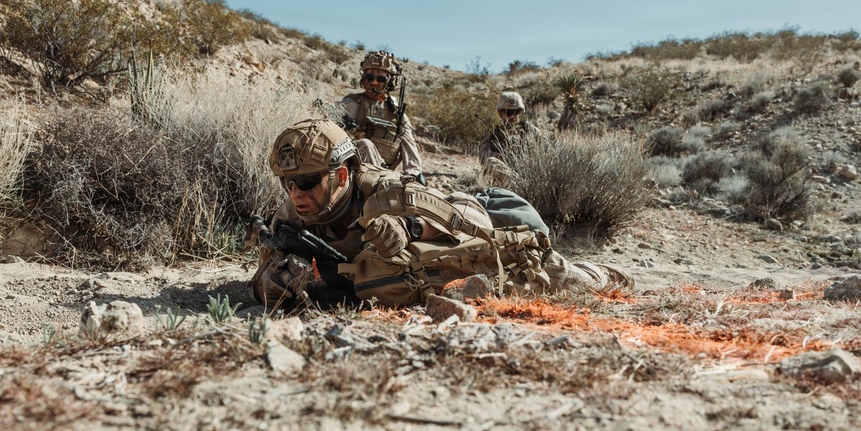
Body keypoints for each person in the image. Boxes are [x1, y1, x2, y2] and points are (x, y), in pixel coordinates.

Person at [247, 118, 634, 311]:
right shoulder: (290, 217)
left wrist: (408, 227)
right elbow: (256, 283)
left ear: (342, 175)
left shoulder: (381, 190)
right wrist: (283, 279)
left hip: (481, 224)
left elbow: (464, 218)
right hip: (406, 279)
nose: (296, 193)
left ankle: (605, 272)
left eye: (309, 181)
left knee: (572, 281)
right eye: (288, 183)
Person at [340, 50, 423, 180]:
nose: (374, 82)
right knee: (364, 144)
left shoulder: (397, 112)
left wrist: (414, 175)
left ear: (390, 81)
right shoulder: (352, 104)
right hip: (352, 173)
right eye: (369, 77)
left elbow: (409, 147)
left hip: (385, 175)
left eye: (380, 78)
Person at [477, 91, 543, 184]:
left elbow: (547, 148)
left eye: (516, 112)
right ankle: (517, 184)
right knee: (491, 162)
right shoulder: (495, 133)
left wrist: (532, 157)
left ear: (521, 112)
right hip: (506, 175)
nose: (513, 116)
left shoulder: (530, 130)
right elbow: (483, 154)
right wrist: (501, 157)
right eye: (508, 112)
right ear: (500, 113)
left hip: (530, 173)